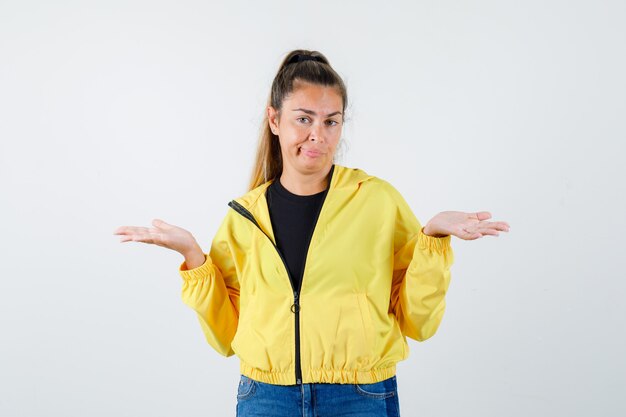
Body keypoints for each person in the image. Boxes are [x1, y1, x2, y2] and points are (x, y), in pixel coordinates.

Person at [114, 49, 510, 417]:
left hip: (360, 396)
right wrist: (193, 255)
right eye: (303, 118)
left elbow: (419, 323)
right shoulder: (245, 216)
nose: (318, 135)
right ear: (274, 120)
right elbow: (225, 337)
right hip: (265, 397)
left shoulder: (378, 201)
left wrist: (434, 238)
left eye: (330, 121)